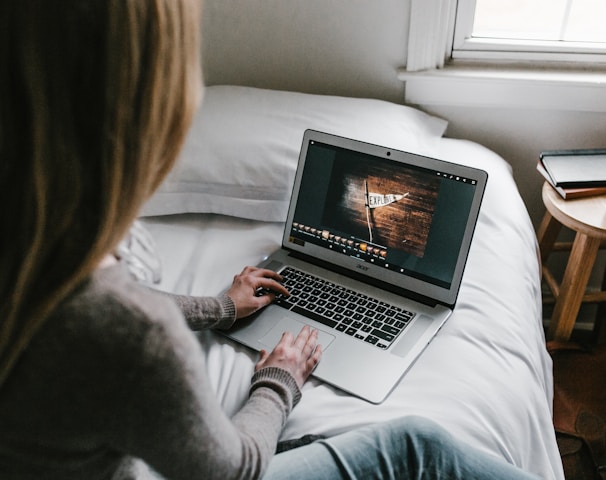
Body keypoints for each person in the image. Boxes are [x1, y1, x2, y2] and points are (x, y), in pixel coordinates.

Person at [0, 1, 540, 479]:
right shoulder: (133, 336)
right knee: (415, 447)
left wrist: (219, 307)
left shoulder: (37, 259)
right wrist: (279, 379)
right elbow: (234, 468)